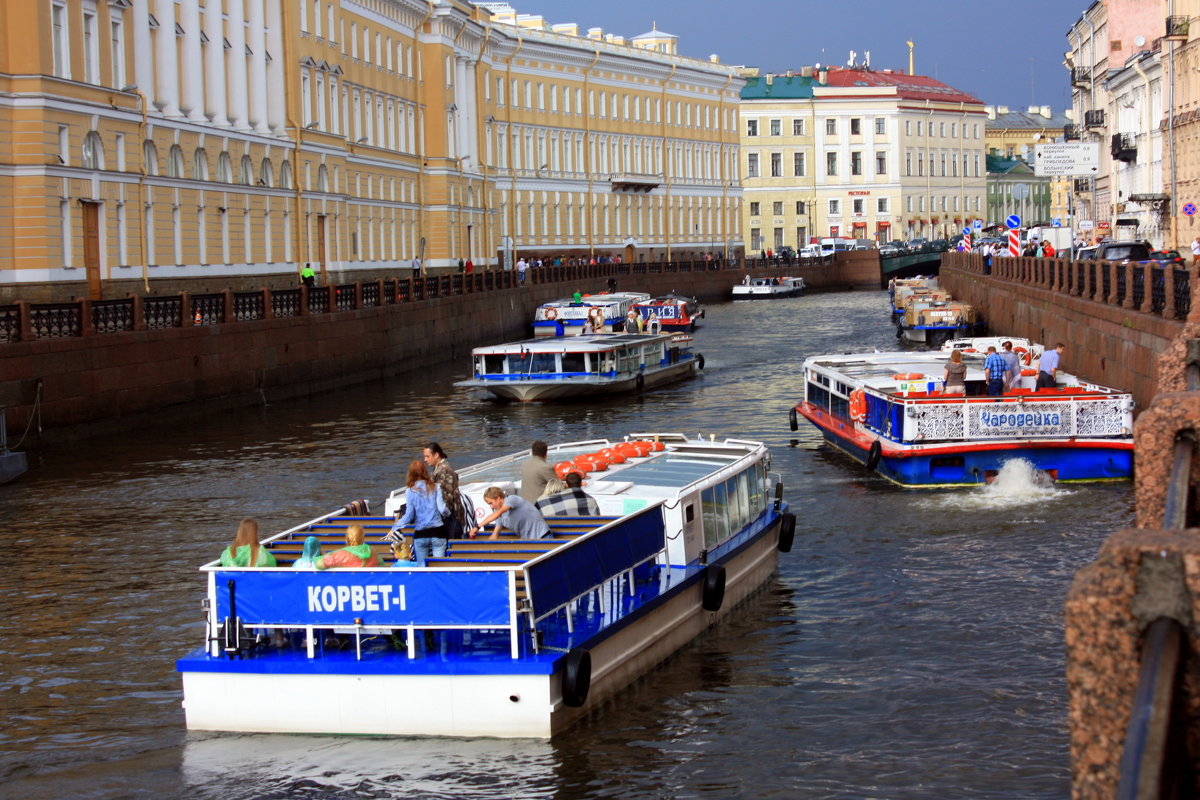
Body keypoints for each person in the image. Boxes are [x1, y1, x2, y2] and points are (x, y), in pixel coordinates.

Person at [386, 460, 448, 566]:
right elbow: (442, 509)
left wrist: (395, 527)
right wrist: (448, 515)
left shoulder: (410, 491)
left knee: (422, 567)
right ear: (425, 472)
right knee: (439, 566)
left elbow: (409, 515)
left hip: (421, 533)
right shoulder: (435, 487)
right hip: (438, 531)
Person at [469, 486, 551, 540]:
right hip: (529, 541)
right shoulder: (499, 514)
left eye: (491, 503)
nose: (491, 507)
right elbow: (495, 535)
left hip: (543, 536)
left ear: (498, 498)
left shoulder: (512, 499)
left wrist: (478, 527)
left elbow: (496, 514)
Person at [423, 441, 466, 540]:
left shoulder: (444, 471)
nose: (425, 459)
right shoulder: (438, 470)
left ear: (436, 455)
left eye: (427, 456)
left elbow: (446, 499)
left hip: (450, 520)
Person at [536, 472, 601, 516]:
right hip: (586, 535)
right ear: (581, 484)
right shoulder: (591, 500)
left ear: (567, 485)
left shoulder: (542, 502)